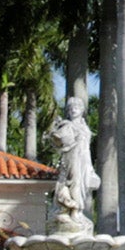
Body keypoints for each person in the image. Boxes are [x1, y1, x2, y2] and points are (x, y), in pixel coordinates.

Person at [49, 97, 100, 228]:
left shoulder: (84, 127)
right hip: (72, 157)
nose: (73, 110)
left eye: (76, 108)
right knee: (74, 182)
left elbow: (86, 148)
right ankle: (75, 210)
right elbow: (57, 141)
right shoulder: (67, 125)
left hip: (84, 159)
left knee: (82, 185)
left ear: (82, 110)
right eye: (70, 108)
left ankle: (76, 210)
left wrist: (90, 168)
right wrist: (54, 132)